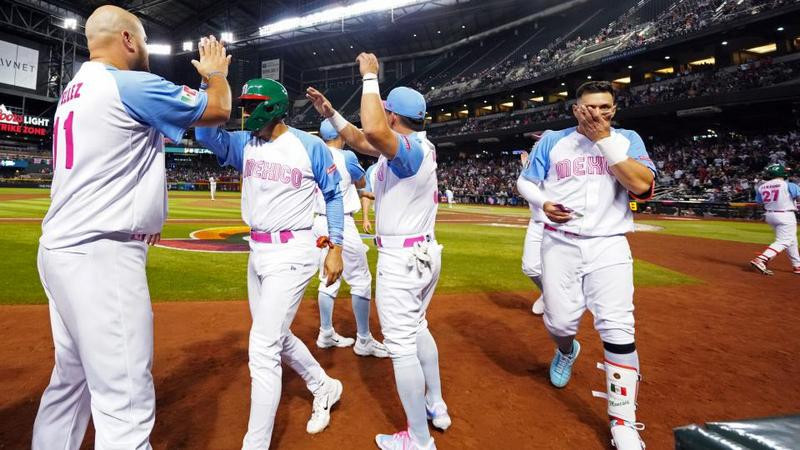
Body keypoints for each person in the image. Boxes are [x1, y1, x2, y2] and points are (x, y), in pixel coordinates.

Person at [33, 5, 232, 449]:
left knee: (70, 383)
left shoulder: (74, 89)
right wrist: (215, 74)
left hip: (62, 249)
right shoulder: (129, 84)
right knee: (125, 403)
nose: (145, 49)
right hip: (102, 257)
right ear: (127, 39)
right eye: (142, 40)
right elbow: (219, 109)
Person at [306, 52, 450, 450]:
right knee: (419, 329)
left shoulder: (408, 150)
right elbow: (359, 136)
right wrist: (331, 114)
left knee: (401, 347)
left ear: (393, 117)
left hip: (403, 261)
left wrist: (370, 77)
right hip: (422, 254)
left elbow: (371, 127)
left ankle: (418, 439)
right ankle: (436, 404)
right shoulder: (412, 144)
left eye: (386, 111)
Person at [195, 78, 345, 448]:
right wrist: (208, 81)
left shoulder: (309, 145)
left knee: (262, 348)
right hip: (258, 251)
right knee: (276, 336)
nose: (245, 111)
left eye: (252, 104)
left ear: (273, 107)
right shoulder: (243, 143)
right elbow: (204, 134)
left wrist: (336, 246)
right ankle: (324, 386)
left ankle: (255, 444)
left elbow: (333, 195)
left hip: (293, 251)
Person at [516, 81, 656, 450]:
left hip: (609, 243)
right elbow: (526, 182)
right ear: (576, 108)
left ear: (614, 110)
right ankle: (566, 350)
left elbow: (642, 187)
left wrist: (604, 140)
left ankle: (624, 423)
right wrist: (543, 203)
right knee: (559, 323)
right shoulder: (553, 140)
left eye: (604, 107)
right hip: (559, 244)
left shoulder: (627, 140)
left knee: (618, 325)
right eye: (589, 107)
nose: (597, 113)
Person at [313, 119, 389, 357]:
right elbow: (362, 182)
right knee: (361, 280)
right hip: (341, 221)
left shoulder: (313, 154)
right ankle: (364, 339)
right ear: (340, 135)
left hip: (318, 221)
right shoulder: (346, 156)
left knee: (328, 278)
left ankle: (326, 333)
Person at [750, 164, 800, 275]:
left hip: (770, 215)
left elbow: (760, 203)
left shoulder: (762, 187)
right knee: (783, 241)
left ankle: (797, 265)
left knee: (791, 239)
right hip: (786, 215)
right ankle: (761, 259)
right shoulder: (789, 185)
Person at [518, 149, 545, 315]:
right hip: (537, 221)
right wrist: (527, 168)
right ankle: (549, 293)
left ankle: (558, 297)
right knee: (530, 267)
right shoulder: (530, 169)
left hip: (559, 224)